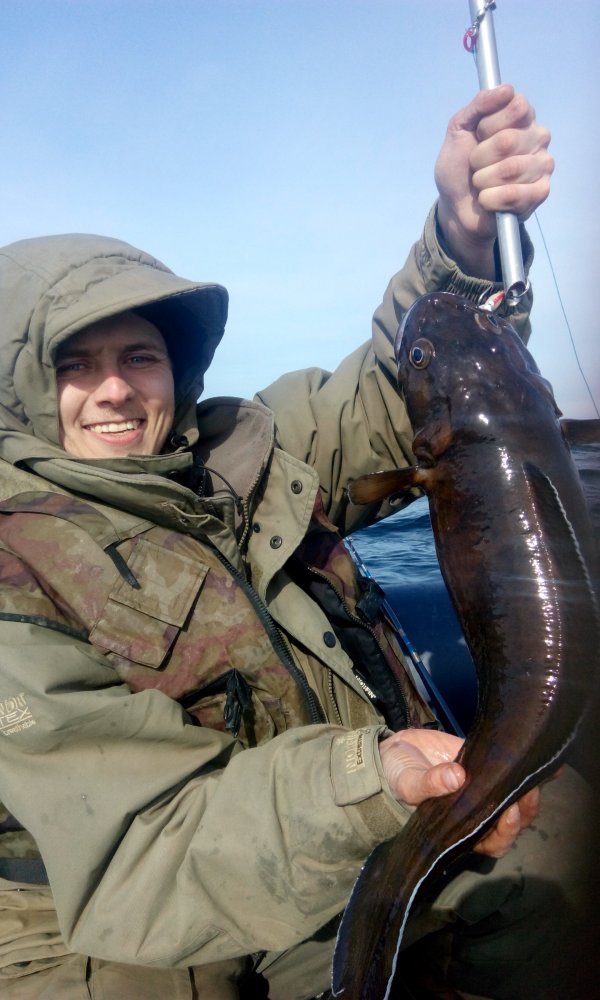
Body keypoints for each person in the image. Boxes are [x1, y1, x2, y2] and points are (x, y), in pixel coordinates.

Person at [0, 84, 592, 1000]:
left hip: (342, 823)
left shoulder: (245, 451)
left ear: (177, 368)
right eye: (74, 364)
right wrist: (367, 782)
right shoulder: (13, 567)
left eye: (138, 356)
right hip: (100, 911)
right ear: (24, 391)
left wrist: (463, 236)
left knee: (567, 841)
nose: (113, 389)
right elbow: (135, 845)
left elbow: (404, 393)